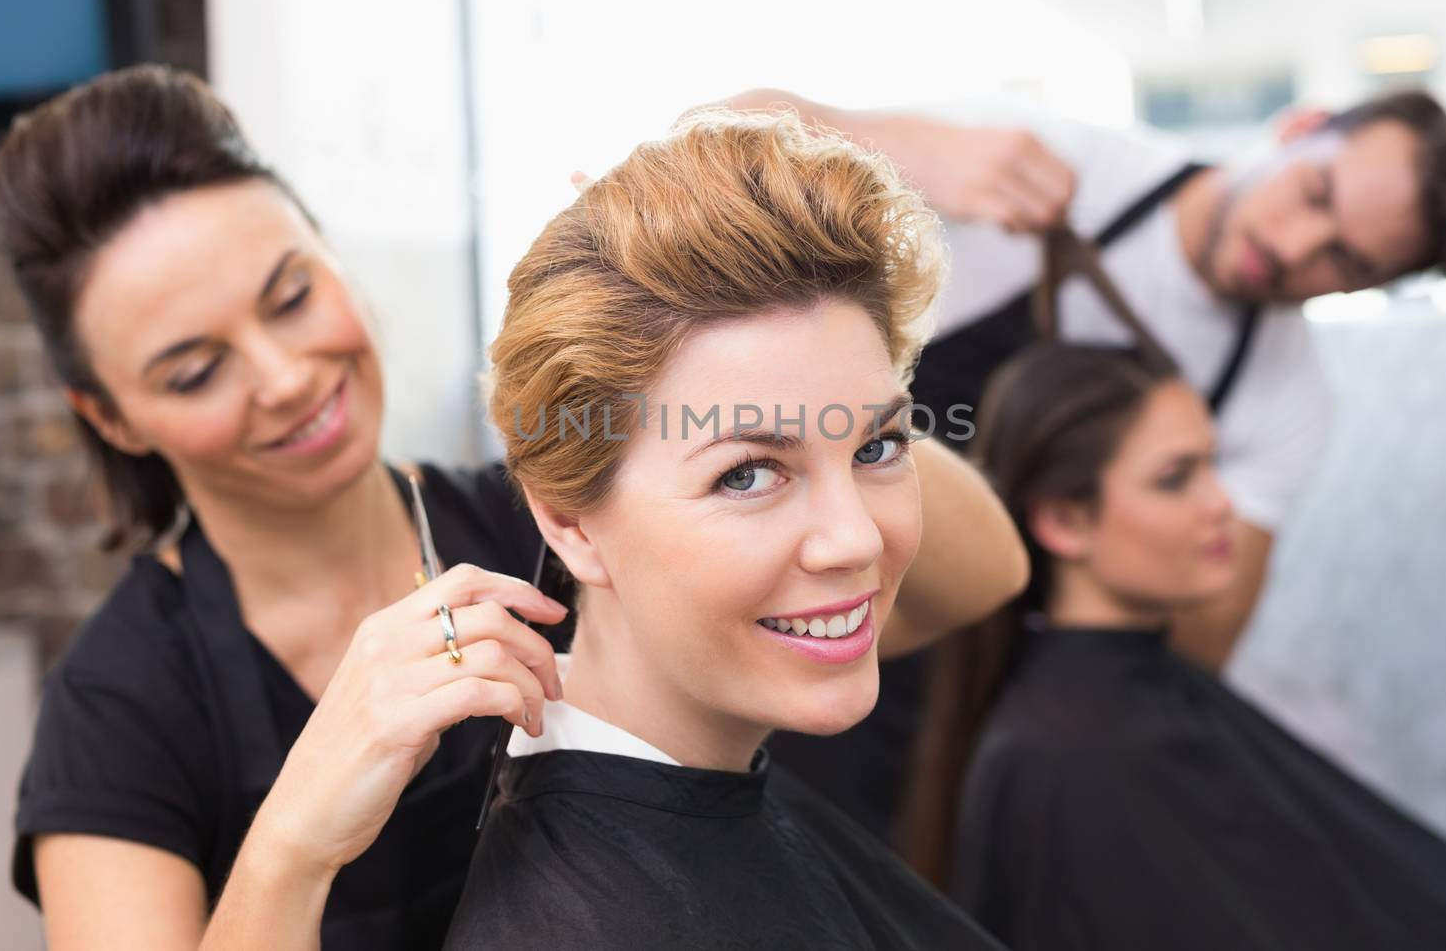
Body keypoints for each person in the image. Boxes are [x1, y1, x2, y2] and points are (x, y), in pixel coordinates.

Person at [0, 66, 1024, 950]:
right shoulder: (120, 707)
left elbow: (980, 572)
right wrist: (292, 840)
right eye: (195, 368)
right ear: (111, 415)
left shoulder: (531, 521)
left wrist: (716, 309)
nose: (284, 375)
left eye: (292, 294)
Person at [725, 84, 1446, 844]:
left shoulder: (1282, 398)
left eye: (1343, 260)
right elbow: (723, 134)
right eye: (1315, 193)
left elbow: (1192, 636)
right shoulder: (1049, 164)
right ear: (1300, 126)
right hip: (783, 573)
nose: (1294, 248)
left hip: (967, 684)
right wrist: (910, 146)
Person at [439, 110, 1025, 950]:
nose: (853, 538)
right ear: (571, 523)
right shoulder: (575, 923)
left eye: (878, 444)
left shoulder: (715, 770)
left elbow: (993, 567)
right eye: (747, 472)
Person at [904, 342, 1446, 950]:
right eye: (1176, 478)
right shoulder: (1066, 758)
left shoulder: (1126, 709)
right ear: (1065, 521)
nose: (1221, 503)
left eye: (1215, 464)